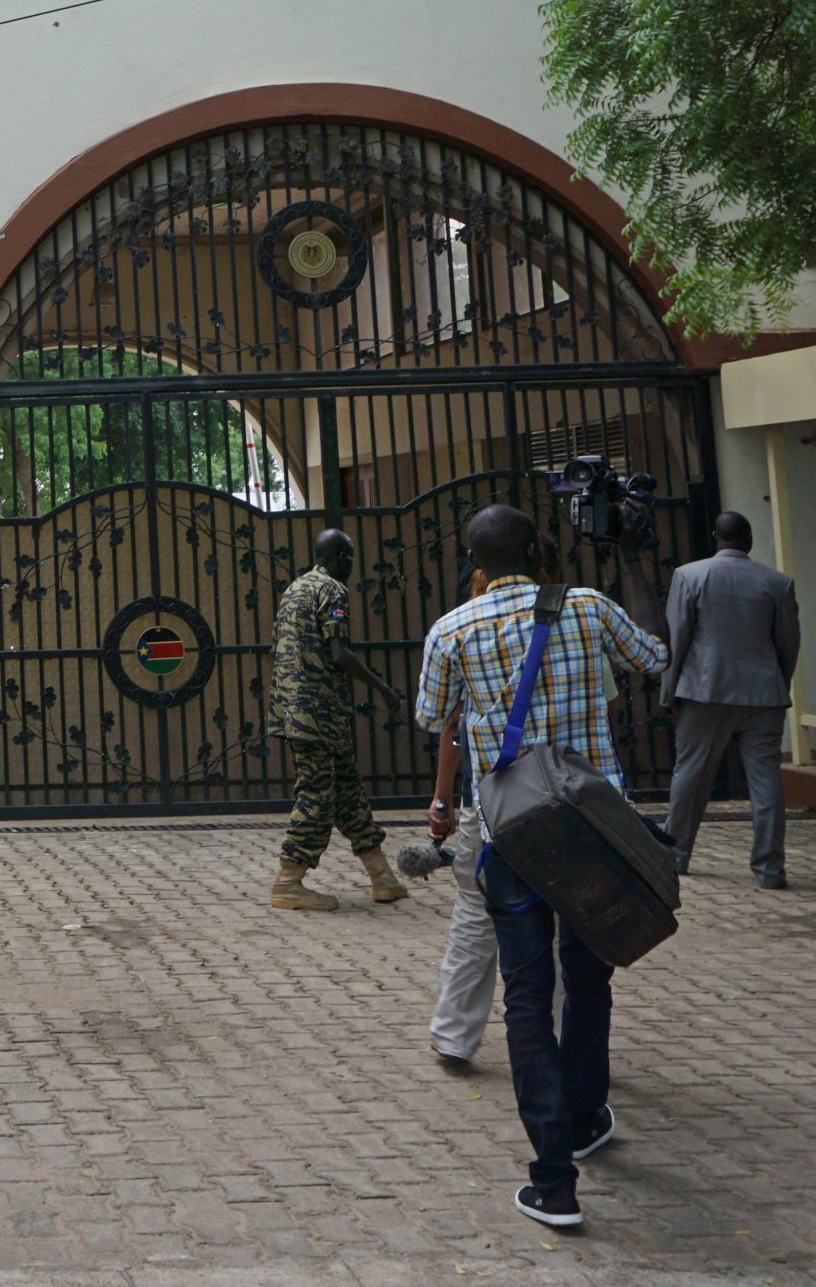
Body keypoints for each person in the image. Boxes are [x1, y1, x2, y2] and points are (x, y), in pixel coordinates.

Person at [415, 503, 667, 1230]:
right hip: (594, 836)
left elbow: (436, 717)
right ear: (538, 550)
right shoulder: (587, 608)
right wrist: (630, 558)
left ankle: (553, 1181)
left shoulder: (452, 629)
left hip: (514, 841)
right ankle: (588, 1117)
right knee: (587, 982)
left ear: (477, 563)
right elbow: (654, 656)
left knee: (527, 996)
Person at [426, 536, 561, 1069]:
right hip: (560, 795)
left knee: (475, 914)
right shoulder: (571, 619)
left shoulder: (462, 628)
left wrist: (442, 799)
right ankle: (555, 1036)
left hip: (492, 797)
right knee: (559, 913)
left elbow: (449, 727)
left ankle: (453, 1035)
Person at [268, 528, 410, 911]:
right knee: (317, 794)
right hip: (318, 712)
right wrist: (384, 689)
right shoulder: (332, 590)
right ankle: (289, 881)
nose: (351, 564)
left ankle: (382, 877)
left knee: (348, 793)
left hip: (297, 709)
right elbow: (339, 653)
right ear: (341, 557)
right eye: (349, 556)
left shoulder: (295, 589)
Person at [660, 512, 799, 888]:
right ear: (748, 539)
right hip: (764, 696)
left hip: (704, 692)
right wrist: (776, 684)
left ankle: (675, 858)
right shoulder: (778, 582)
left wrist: (668, 694)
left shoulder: (689, 576)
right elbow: (788, 643)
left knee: (690, 775)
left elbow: (678, 639)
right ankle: (770, 871)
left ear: (715, 537)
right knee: (766, 780)